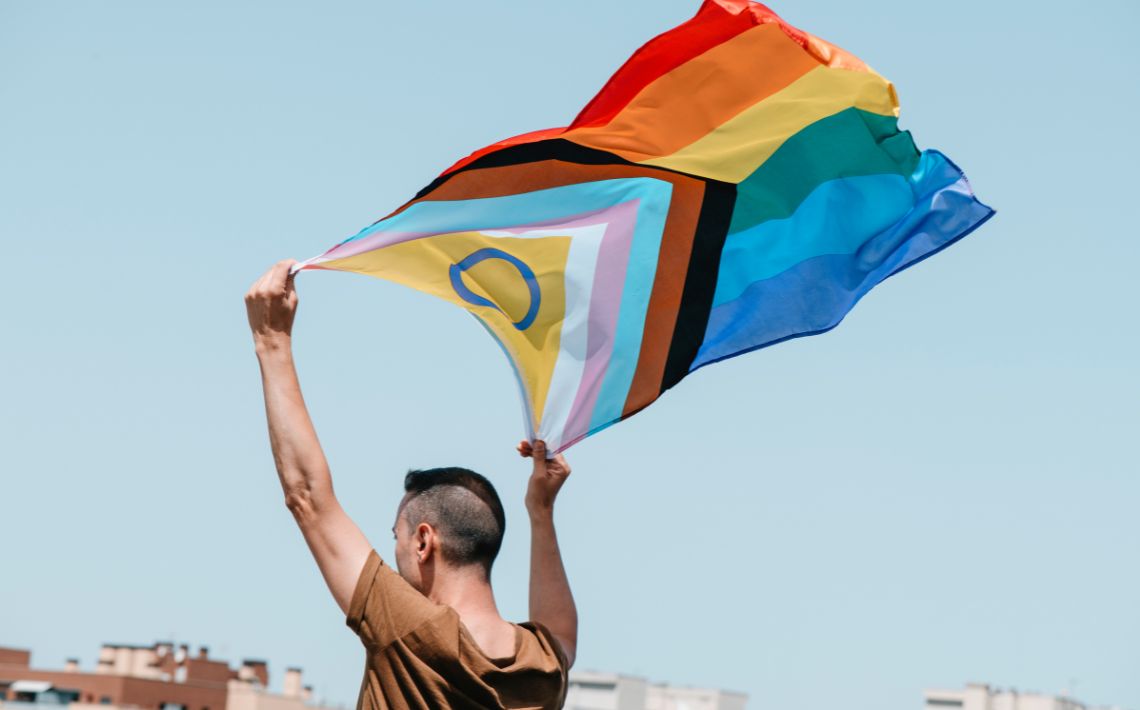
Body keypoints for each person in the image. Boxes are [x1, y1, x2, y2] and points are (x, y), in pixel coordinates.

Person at [244, 260, 577, 709]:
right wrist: (542, 514)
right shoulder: (544, 667)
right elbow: (561, 634)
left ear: (424, 540)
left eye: (395, 538)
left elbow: (307, 497)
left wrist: (271, 342)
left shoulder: (407, 628)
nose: (393, 553)